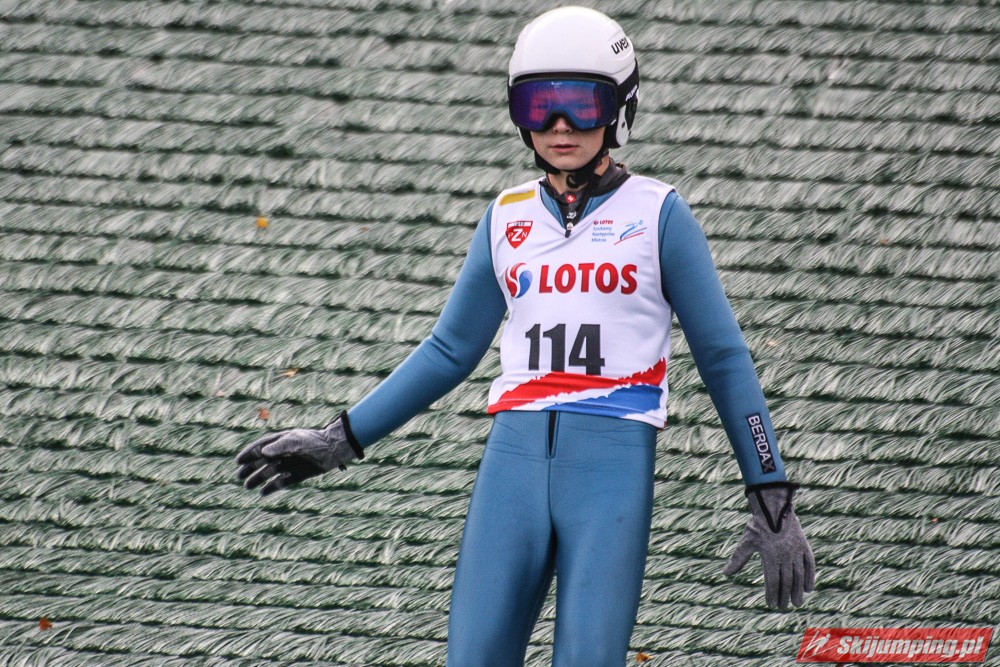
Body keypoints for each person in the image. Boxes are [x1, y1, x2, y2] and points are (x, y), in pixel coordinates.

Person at [236, 6, 815, 665]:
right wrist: (340, 438)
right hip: (511, 465)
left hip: (610, 468)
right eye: (540, 105)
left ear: (620, 109)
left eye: (582, 105)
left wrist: (771, 493)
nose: (560, 126)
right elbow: (450, 349)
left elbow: (722, 357)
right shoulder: (505, 215)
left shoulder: (659, 213)